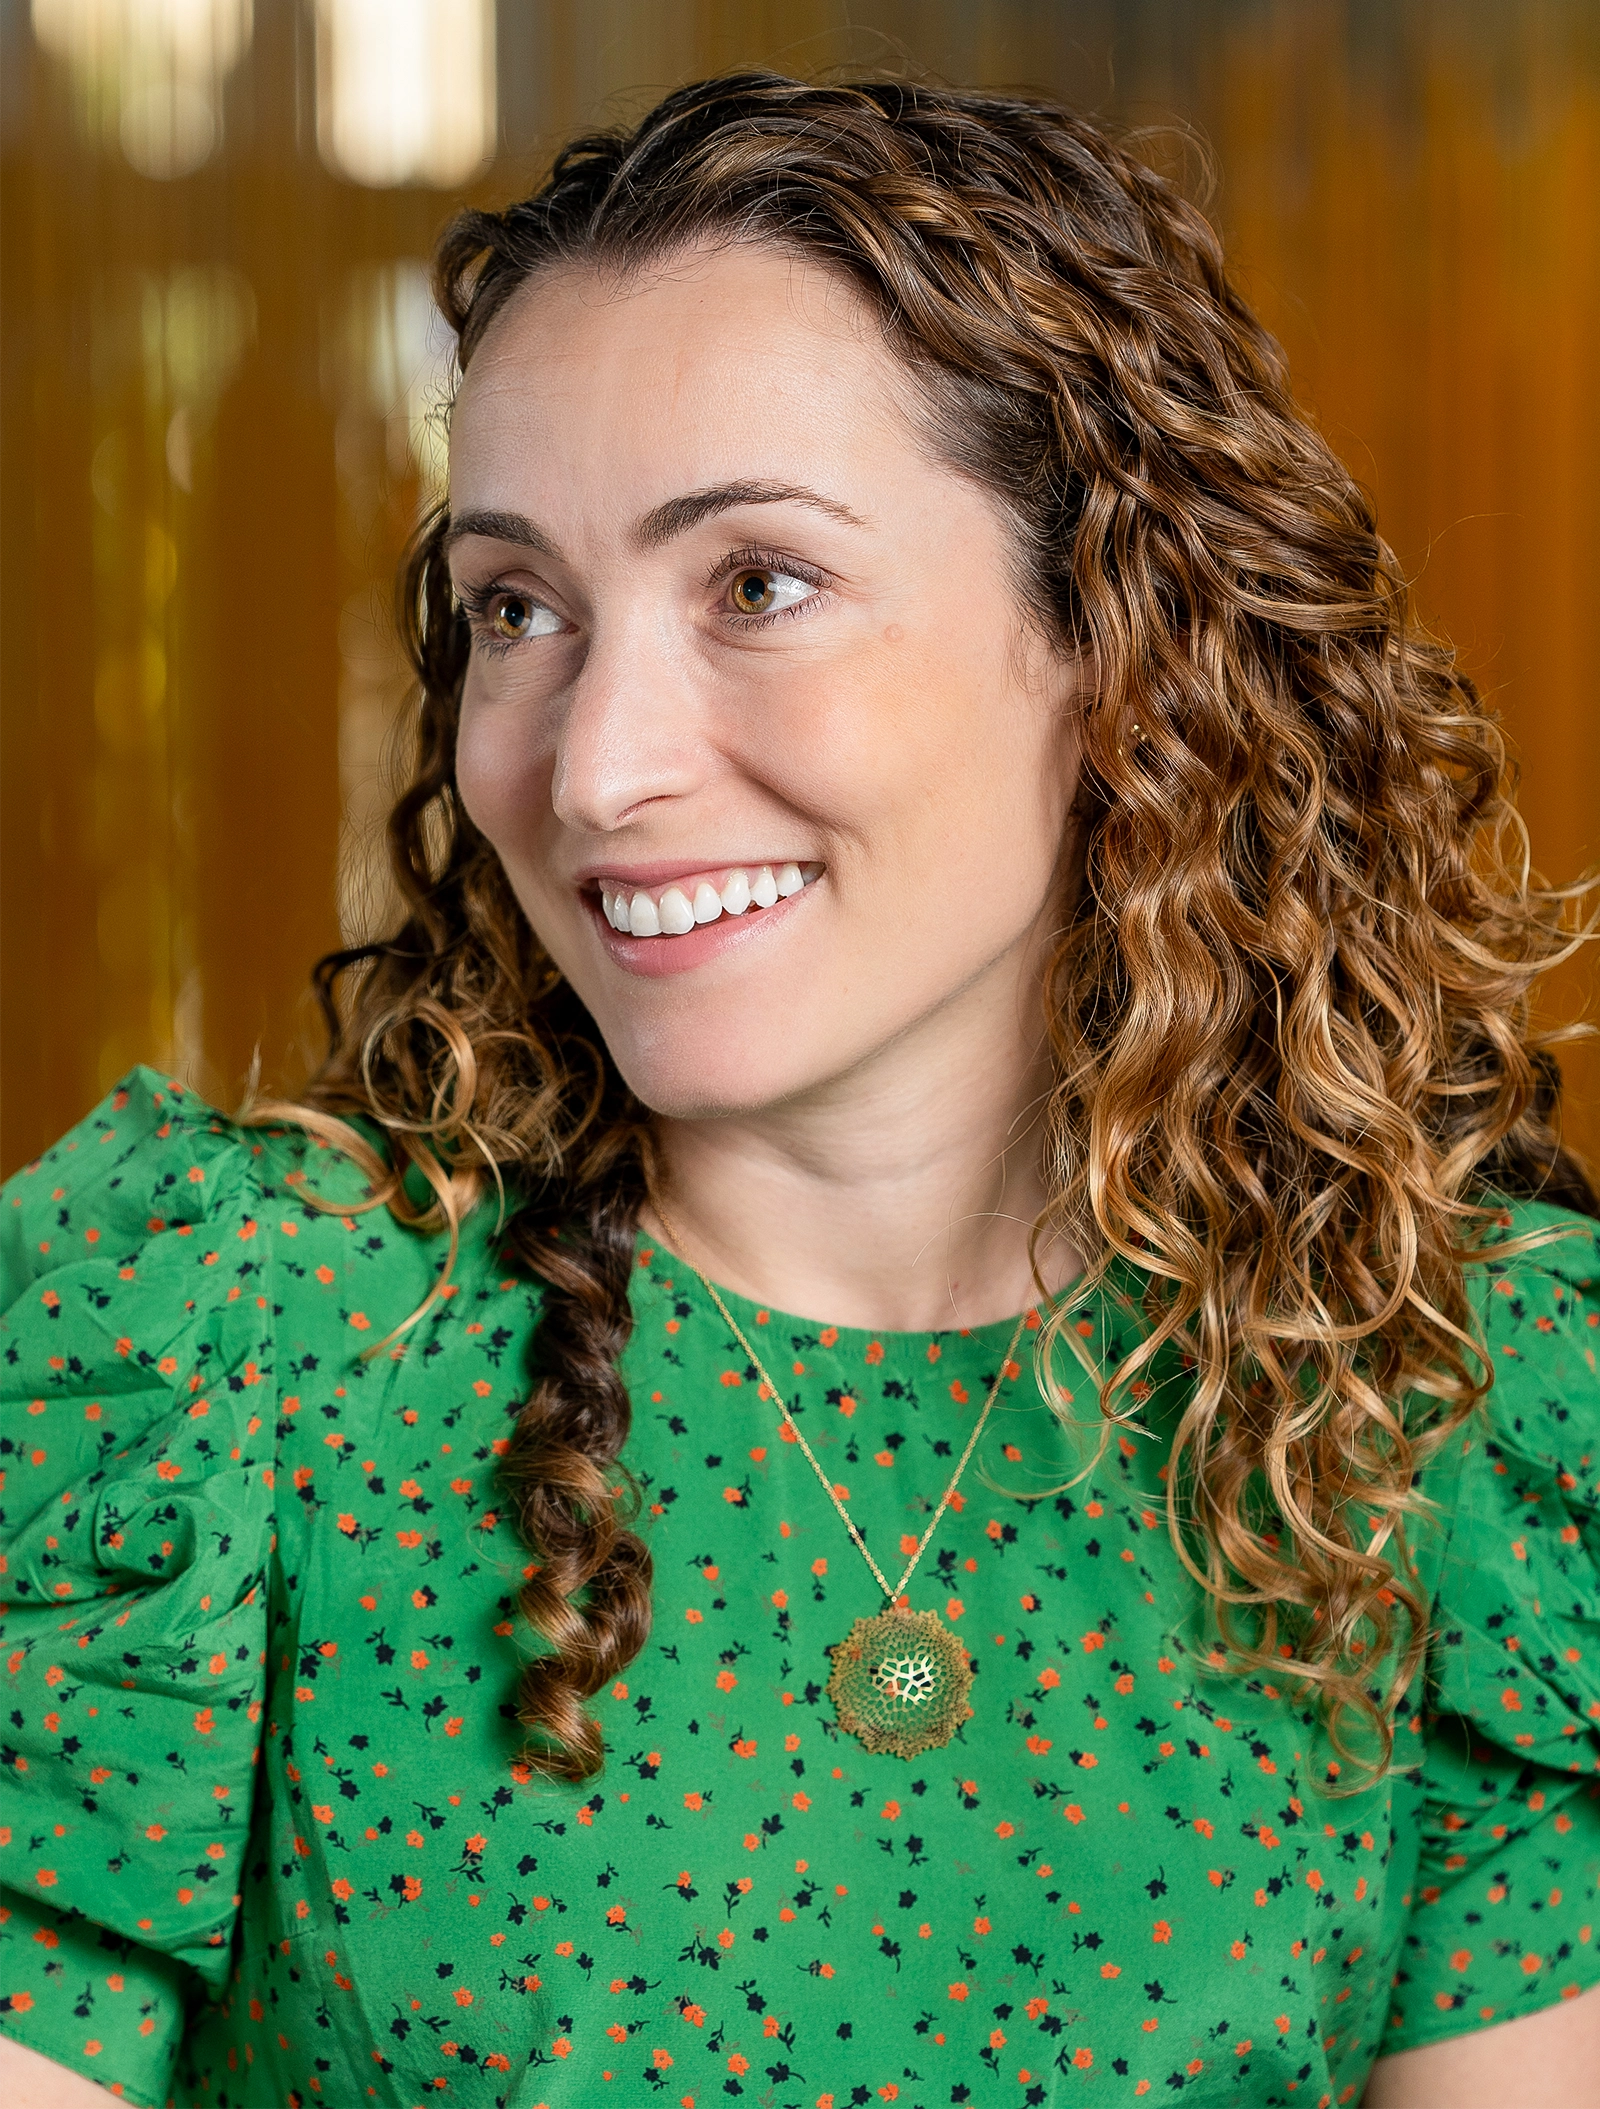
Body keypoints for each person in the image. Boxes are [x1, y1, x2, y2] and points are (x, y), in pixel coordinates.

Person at [2, 70, 1597, 2109]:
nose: (590, 768)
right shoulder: (214, 1356)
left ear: (1118, 640)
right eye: (517, 608)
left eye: (755, 583)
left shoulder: (1443, 1415)